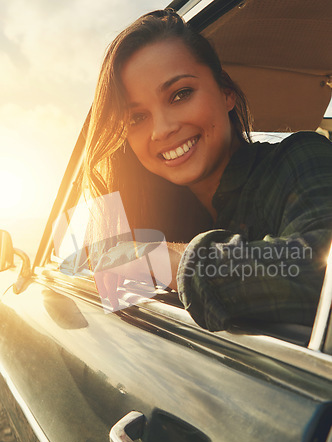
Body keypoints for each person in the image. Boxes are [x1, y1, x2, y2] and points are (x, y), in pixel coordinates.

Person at [84, 9, 332, 332]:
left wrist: (161, 260)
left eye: (180, 94)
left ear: (226, 92)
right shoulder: (153, 212)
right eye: (136, 118)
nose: (161, 130)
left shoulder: (301, 157)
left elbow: (319, 277)